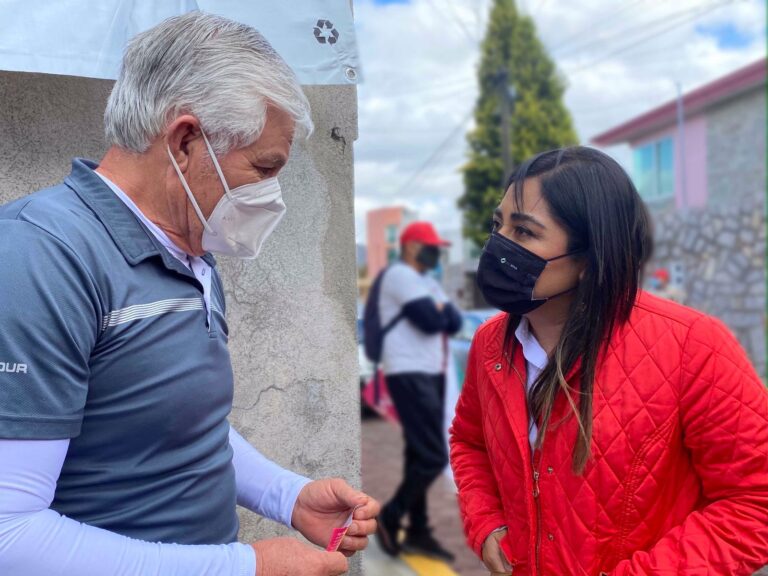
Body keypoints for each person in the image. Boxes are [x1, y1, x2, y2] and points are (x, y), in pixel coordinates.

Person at [0, 12, 379, 576]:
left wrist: (287, 496)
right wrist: (243, 567)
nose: (272, 195)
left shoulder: (192, 249)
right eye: (264, 167)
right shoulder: (41, 256)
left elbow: (178, 423)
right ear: (184, 141)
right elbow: (11, 533)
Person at [450, 147, 768, 575]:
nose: (498, 245)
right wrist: (487, 524)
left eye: (524, 232)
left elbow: (755, 504)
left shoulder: (692, 345)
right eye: (498, 224)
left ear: (587, 257)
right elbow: (470, 442)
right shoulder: (492, 344)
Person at [375, 221, 462, 562]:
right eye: (432, 246)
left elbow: (453, 321)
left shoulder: (427, 282)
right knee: (433, 455)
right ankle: (391, 515)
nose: (436, 253)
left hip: (431, 373)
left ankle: (419, 531)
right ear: (411, 247)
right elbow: (430, 320)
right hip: (409, 372)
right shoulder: (400, 276)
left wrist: (441, 312)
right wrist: (439, 312)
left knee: (417, 454)